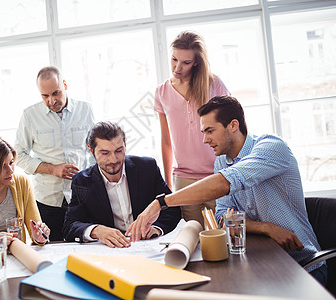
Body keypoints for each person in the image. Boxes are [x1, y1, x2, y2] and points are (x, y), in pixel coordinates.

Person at [127, 96, 327, 284]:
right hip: (264, 266)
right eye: (203, 132)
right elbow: (222, 217)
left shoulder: (271, 147)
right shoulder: (222, 162)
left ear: (233, 125)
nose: (205, 140)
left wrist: (161, 202)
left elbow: (224, 184)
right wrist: (266, 227)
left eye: (210, 131)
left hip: (304, 267)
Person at [63, 121, 181, 248]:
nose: (113, 159)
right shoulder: (82, 181)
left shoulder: (147, 168)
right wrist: (97, 230)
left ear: (125, 145)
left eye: (119, 151)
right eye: (105, 153)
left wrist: (157, 228)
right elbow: (70, 226)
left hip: (148, 247)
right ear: (91, 150)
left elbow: (172, 209)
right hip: (110, 252)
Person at [154, 30, 230, 228]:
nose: (177, 67)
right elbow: (166, 141)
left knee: (223, 237)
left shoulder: (214, 84)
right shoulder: (161, 92)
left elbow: (232, 129)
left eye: (185, 62)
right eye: (174, 59)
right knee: (192, 239)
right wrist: (168, 181)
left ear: (196, 62)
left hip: (217, 175)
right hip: (183, 178)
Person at [15, 66, 95, 241]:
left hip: (82, 197)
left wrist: (90, 178)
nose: (52, 100)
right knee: (50, 251)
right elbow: (18, 155)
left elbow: (95, 152)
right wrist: (52, 169)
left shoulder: (86, 110)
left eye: (56, 93)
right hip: (47, 201)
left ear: (65, 85)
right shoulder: (29, 115)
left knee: (86, 248)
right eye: (45, 96)